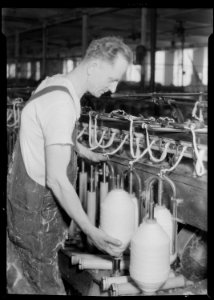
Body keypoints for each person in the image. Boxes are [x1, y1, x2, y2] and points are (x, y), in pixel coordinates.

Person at [7, 36, 133, 294]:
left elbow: (47, 129)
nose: (114, 89)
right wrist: (90, 230)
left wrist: (80, 149)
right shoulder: (62, 103)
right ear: (93, 67)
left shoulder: (55, 84)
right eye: (112, 78)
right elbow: (56, 179)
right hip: (36, 220)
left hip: (25, 208)